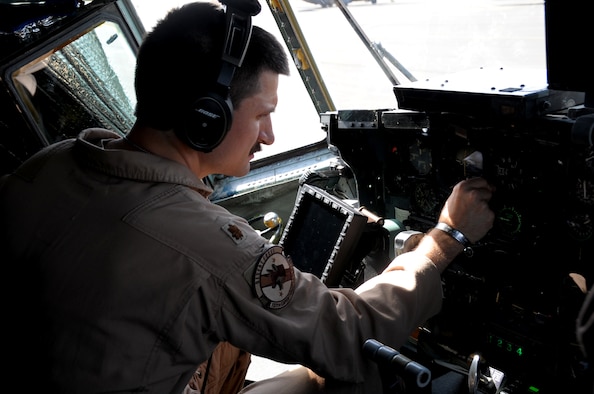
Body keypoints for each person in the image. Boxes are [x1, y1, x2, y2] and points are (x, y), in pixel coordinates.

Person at [0, 1, 495, 393]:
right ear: (205, 117)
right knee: (352, 373)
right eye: (262, 115)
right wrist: (443, 240)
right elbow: (349, 332)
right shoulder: (205, 244)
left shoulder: (54, 162)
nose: (270, 136)